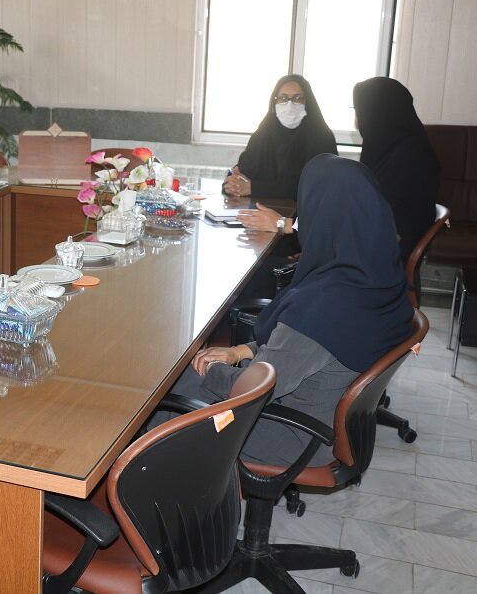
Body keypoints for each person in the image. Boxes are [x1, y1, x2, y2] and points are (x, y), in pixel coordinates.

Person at [165, 155, 413, 466]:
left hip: (286, 432)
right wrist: (240, 350)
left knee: (157, 392)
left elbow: (253, 390)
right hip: (316, 413)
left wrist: (207, 369)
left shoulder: (326, 305)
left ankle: (156, 496)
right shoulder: (378, 274)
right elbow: (304, 350)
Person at [353, 77, 440, 263]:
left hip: (391, 249)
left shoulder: (408, 157)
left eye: (360, 111)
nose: (357, 121)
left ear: (377, 112)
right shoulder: (394, 146)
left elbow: (385, 219)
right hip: (385, 239)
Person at [223, 74, 337, 200]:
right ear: (274, 102)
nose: (289, 105)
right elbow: (243, 171)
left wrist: (254, 188)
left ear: (307, 101)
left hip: (303, 216)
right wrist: (233, 183)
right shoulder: (263, 135)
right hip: (259, 212)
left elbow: (316, 187)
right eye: (283, 98)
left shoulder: (322, 138)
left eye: (297, 98)